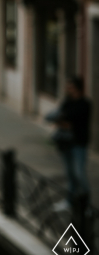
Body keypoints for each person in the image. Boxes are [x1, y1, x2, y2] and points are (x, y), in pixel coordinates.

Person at [55, 77, 92, 206]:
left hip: (79, 144)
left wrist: (66, 122)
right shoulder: (67, 102)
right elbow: (59, 118)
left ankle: (86, 202)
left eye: (69, 87)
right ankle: (70, 200)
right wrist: (65, 122)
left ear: (76, 88)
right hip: (66, 143)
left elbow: (75, 122)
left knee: (79, 173)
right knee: (70, 173)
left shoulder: (85, 104)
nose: (67, 89)